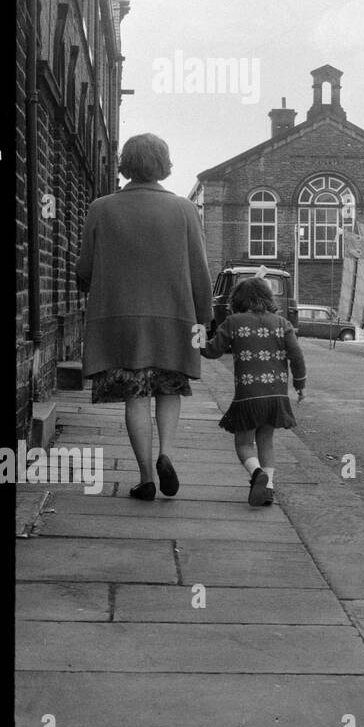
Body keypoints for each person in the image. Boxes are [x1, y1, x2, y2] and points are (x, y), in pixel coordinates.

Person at [75, 133, 212, 501]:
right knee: (169, 391)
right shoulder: (184, 209)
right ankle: (167, 453)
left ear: (125, 163)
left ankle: (146, 477)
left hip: (121, 324)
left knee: (136, 397)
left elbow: (85, 269)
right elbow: (200, 270)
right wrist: (204, 319)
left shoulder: (100, 208)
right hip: (173, 321)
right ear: (163, 164)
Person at [201, 276, 306, 507]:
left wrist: (195, 331)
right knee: (266, 441)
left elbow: (210, 351)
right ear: (268, 298)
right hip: (276, 396)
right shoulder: (283, 324)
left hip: (249, 396)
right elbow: (297, 356)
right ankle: (267, 490)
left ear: (237, 300)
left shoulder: (233, 322)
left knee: (244, 443)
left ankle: (257, 473)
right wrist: (300, 384)